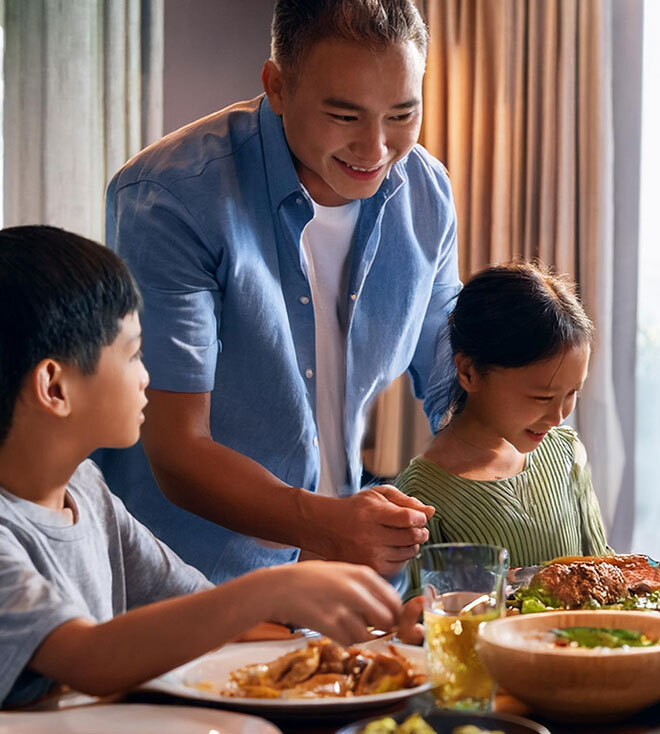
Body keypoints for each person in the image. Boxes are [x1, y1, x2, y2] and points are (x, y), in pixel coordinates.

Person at [94, 0, 457, 583]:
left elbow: (453, 378)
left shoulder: (426, 194)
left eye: (401, 115)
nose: (376, 150)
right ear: (278, 87)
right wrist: (329, 525)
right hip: (192, 584)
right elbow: (178, 449)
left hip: (341, 580)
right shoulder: (171, 196)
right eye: (345, 117)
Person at [0, 226, 422, 708]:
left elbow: (209, 621)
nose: (147, 376)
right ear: (54, 387)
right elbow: (85, 657)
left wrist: (375, 639)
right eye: (135, 353)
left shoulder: (86, 489)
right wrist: (274, 585)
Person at [395, 263, 611, 570]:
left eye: (572, 393)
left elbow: (603, 567)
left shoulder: (566, 453)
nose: (558, 416)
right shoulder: (418, 498)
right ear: (469, 372)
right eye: (542, 397)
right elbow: (418, 612)